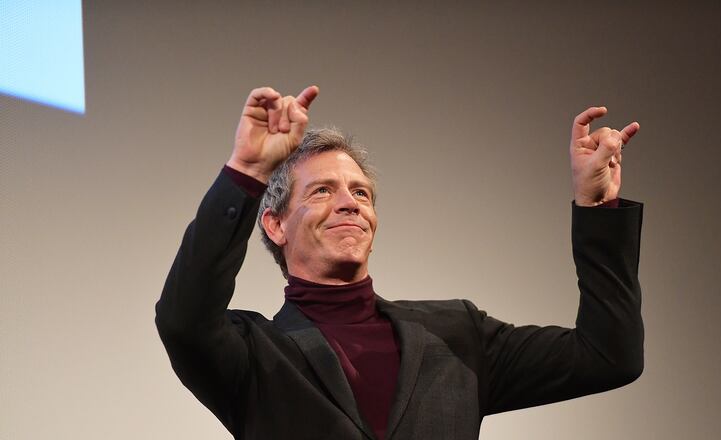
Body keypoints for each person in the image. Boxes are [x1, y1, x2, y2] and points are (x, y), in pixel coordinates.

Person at [155, 85, 644, 440]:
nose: (350, 204)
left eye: (361, 193)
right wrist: (248, 172)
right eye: (323, 191)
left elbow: (609, 357)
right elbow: (183, 319)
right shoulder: (253, 354)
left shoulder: (458, 335)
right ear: (276, 225)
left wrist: (597, 210)